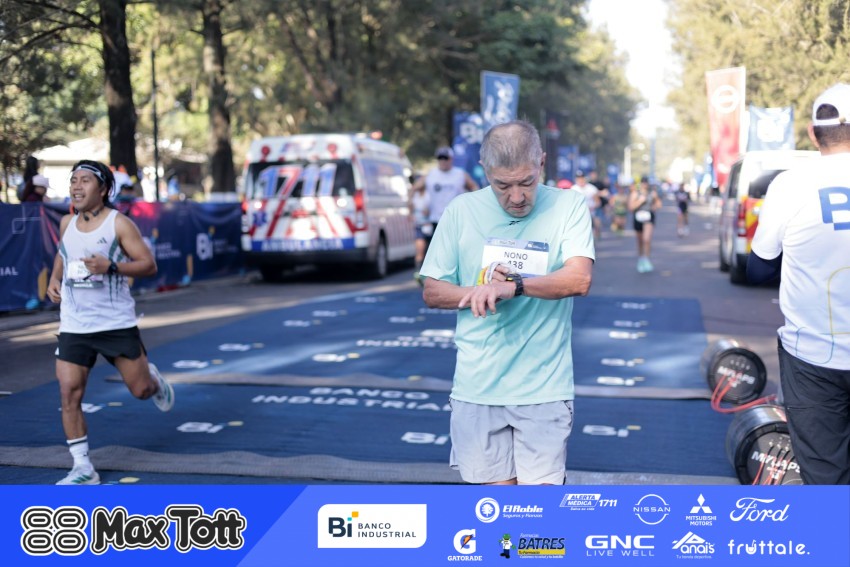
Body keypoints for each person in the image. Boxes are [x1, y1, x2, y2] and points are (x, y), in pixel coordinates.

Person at [419, 120, 594, 485]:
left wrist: (514, 286)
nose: (516, 197)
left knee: (538, 514)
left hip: (544, 387)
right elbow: (433, 291)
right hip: (477, 387)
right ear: (485, 171)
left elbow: (579, 279)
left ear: (541, 162)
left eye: (527, 182)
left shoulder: (569, 205)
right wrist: (480, 291)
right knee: (497, 512)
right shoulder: (461, 210)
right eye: (503, 185)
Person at [46, 160, 175, 486]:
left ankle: (153, 380)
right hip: (74, 324)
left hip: (114, 322)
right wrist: (54, 278)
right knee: (69, 393)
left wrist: (111, 267)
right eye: (73, 181)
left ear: (103, 189)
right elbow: (63, 253)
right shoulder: (66, 222)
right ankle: (82, 468)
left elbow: (148, 265)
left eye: (84, 181)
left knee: (140, 390)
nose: (76, 187)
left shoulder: (119, 224)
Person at [747, 83, 850, 485]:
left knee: (825, 476)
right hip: (813, 357)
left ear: (812, 133)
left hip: (813, 355)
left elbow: (758, 269)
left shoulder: (790, 184)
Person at [410, 146, 479, 284]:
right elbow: (413, 189)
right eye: (440, 158)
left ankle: (459, 276)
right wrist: (411, 209)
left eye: (445, 158)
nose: (443, 161)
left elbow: (474, 187)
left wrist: (473, 205)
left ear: (451, 159)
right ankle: (432, 278)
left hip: (457, 219)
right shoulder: (431, 175)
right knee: (436, 250)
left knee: (458, 249)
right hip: (436, 219)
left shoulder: (460, 174)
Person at [628, 175, 662, 273]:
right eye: (643, 183)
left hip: (648, 218)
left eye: (646, 182)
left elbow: (659, 205)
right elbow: (630, 208)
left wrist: (655, 204)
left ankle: (646, 259)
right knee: (640, 241)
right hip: (638, 218)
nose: (645, 185)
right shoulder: (635, 193)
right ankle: (641, 259)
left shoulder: (652, 193)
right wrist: (640, 201)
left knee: (646, 239)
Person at [410, 176, 431, 286]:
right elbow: (410, 209)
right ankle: (418, 273)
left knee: (430, 252)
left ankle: (430, 275)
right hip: (419, 225)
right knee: (420, 250)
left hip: (430, 225)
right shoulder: (415, 196)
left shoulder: (429, 194)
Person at [572, 170, 602, 239]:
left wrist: (592, 207)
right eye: (578, 178)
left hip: (591, 213)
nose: (580, 180)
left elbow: (598, 202)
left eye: (582, 178)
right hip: (579, 214)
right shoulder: (573, 189)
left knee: (595, 224)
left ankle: (596, 235)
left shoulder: (592, 189)